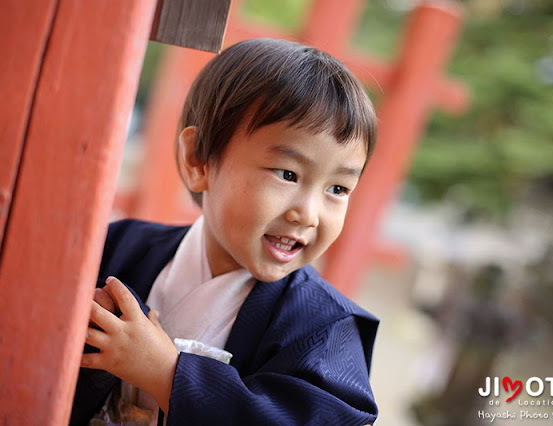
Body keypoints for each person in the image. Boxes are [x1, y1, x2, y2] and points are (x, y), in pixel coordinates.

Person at [71, 38, 380, 426]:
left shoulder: (324, 330)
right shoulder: (116, 249)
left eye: (338, 189)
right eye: (288, 174)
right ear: (198, 158)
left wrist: (167, 374)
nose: (309, 214)